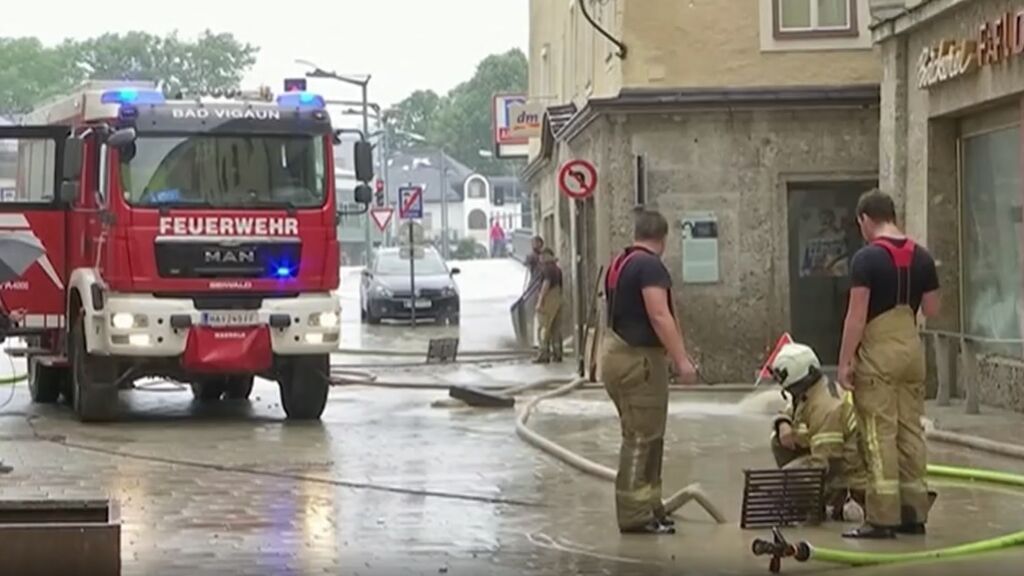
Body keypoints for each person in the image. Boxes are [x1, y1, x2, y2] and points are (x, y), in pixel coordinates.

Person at [837, 188, 941, 539]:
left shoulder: (866, 260)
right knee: (910, 430)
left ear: (866, 219)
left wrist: (844, 362)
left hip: (879, 356)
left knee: (878, 432)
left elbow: (856, 316)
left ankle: (881, 519)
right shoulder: (923, 258)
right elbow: (932, 309)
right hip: (911, 352)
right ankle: (914, 514)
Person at [600, 209, 698, 535]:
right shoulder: (650, 266)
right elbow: (659, 314)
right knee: (641, 439)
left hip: (617, 355)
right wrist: (682, 360)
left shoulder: (621, 262)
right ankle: (635, 515)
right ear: (664, 238)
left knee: (649, 435)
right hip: (638, 361)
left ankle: (651, 507)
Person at [769, 342, 867, 521]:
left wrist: (786, 485)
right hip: (830, 459)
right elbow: (791, 410)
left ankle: (833, 503)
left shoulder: (826, 408)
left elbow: (825, 463)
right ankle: (813, 498)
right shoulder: (812, 391)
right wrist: (783, 423)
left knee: (792, 478)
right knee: (777, 440)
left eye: (790, 389)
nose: (789, 393)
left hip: (847, 476)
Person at [533, 248, 563, 364]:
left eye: (541, 256)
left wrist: (540, 301)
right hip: (558, 300)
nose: (540, 258)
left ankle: (543, 354)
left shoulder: (546, 269)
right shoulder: (557, 269)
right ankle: (557, 353)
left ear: (546, 256)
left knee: (543, 327)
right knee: (556, 328)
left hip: (548, 299)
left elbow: (546, 284)